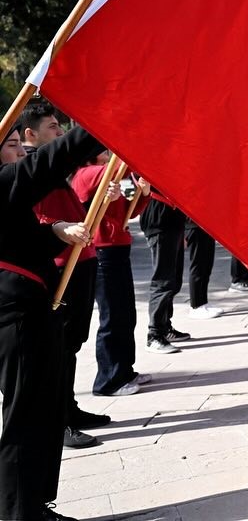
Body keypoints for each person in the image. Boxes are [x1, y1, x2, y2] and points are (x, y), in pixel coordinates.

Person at [1, 121, 104, 521]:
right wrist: (102, 123)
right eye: (11, 145)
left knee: (42, 411)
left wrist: (57, 231)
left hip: (32, 306)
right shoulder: (3, 182)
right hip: (15, 313)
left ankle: (34, 505)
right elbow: (50, 160)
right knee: (24, 416)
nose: (19, 152)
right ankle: (18, 513)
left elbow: (19, 236)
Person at [20, 103, 108, 450]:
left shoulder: (49, 170)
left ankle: (69, 407)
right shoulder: (30, 170)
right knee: (60, 347)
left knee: (72, 345)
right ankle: (61, 420)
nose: (59, 133)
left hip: (80, 259)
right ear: (31, 134)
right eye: (53, 127)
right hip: (59, 264)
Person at [71, 156, 152, 398]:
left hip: (117, 247)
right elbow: (123, 161)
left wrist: (143, 192)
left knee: (125, 313)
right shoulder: (89, 173)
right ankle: (108, 379)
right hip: (102, 250)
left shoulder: (115, 174)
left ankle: (124, 370)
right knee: (113, 315)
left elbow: (130, 208)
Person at [140, 186, 191, 354]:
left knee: (174, 280)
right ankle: (154, 334)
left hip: (173, 220)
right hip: (159, 221)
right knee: (163, 281)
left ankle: (165, 326)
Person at [185, 221, 221, 319]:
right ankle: (196, 305)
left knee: (206, 266)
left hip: (205, 225)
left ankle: (203, 302)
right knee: (198, 266)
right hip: (194, 225)